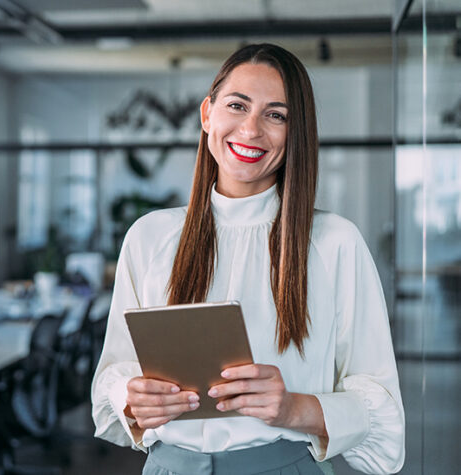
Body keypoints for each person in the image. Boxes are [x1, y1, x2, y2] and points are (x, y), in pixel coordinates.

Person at [91, 43, 404, 475]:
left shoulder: (335, 243)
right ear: (207, 114)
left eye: (276, 115)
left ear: (295, 132)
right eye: (237, 105)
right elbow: (115, 371)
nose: (251, 129)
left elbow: (379, 402)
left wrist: (295, 408)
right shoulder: (149, 236)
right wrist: (132, 395)